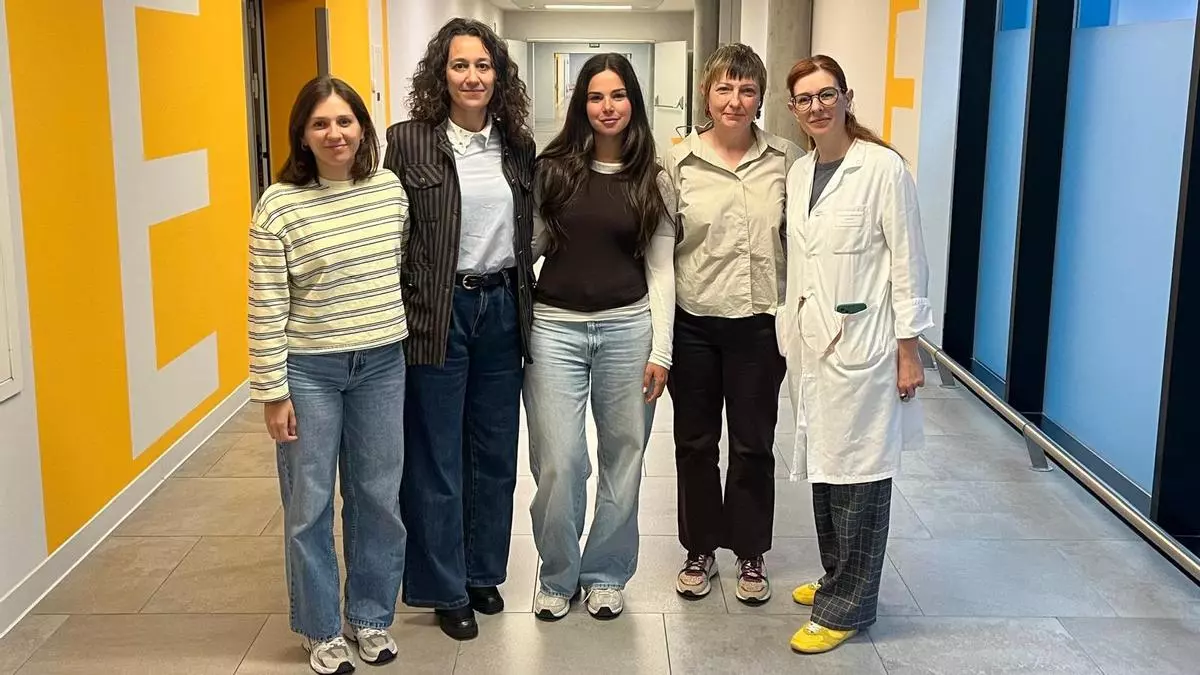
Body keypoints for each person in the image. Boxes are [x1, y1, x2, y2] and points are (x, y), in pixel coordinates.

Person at [248, 76, 409, 675]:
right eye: (320, 124)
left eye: (345, 121)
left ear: (362, 128)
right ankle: (320, 629)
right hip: (309, 371)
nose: (335, 133)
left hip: (382, 364)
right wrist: (273, 392)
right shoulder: (278, 205)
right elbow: (265, 304)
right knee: (309, 503)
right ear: (302, 135)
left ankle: (370, 616)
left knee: (378, 497)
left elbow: (398, 269)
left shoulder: (389, 192)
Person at [382, 17, 535, 641]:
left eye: (483, 65)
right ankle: (444, 587)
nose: (472, 77)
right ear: (440, 74)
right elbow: (392, 232)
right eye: (459, 65)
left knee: (495, 452)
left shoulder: (517, 145)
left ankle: (481, 572)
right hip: (436, 312)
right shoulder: (408, 142)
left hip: (502, 309)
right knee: (436, 455)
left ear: (498, 74)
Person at [778, 54, 932, 654]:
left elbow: (908, 262)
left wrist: (909, 350)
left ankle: (848, 608)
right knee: (827, 469)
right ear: (793, 109)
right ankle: (837, 576)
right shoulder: (801, 172)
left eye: (826, 94)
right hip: (814, 344)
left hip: (867, 347)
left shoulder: (882, 168)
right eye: (804, 99)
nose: (816, 107)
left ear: (846, 97)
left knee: (861, 478)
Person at [524, 53, 676, 621]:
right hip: (553, 330)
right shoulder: (552, 170)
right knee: (559, 460)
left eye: (617, 95)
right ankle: (557, 574)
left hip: (628, 329)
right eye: (595, 97)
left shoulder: (654, 177)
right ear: (580, 104)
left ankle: (607, 573)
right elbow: (531, 247)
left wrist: (662, 350)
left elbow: (662, 269)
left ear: (633, 101)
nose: (607, 107)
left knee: (624, 458)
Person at [663, 43, 803, 605]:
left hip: (759, 326)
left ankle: (750, 550)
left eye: (747, 90)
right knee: (695, 443)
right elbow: (661, 249)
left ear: (761, 97)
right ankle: (699, 548)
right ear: (707, 93)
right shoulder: (677, 162)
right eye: (724, 88)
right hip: (693, 322)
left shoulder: (788, 160)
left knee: (753, 445)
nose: (735, 100)